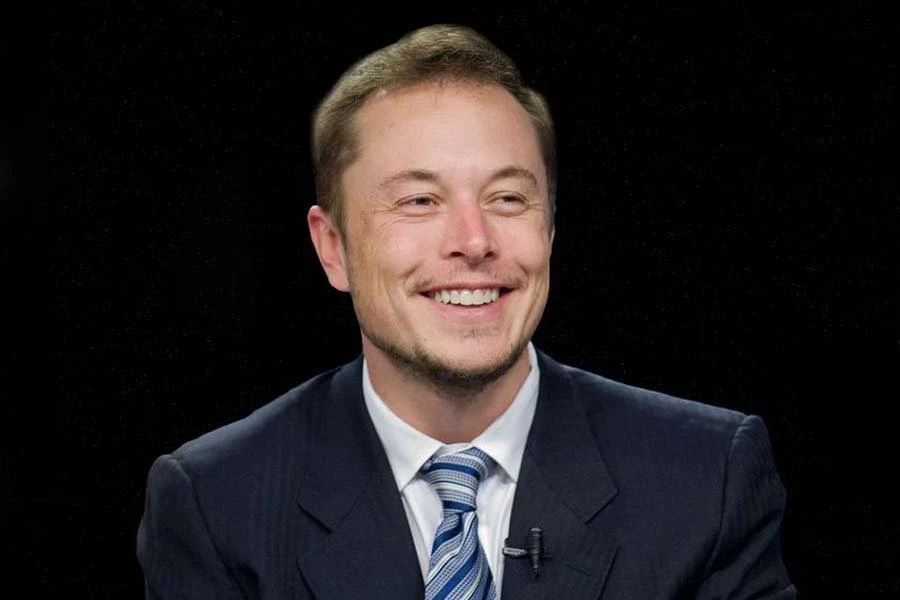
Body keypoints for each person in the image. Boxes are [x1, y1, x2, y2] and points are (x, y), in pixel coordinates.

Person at [137, 24, 796, 599]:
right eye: (419, 202)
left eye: (508, 199)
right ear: (332, 248)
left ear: (549, 229)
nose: (475, 241)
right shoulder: (216, 503)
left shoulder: (707, 478)